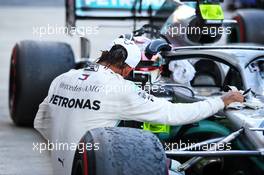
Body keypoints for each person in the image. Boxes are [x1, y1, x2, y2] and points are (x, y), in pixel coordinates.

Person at [34, 37, 244, 175]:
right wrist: (221, 101)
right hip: (96, 167)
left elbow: (42, 123)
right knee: (177, 169)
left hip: (65, 166)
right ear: (127, 70)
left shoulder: (63, 78)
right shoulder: (122, 89)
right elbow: (173, 114)